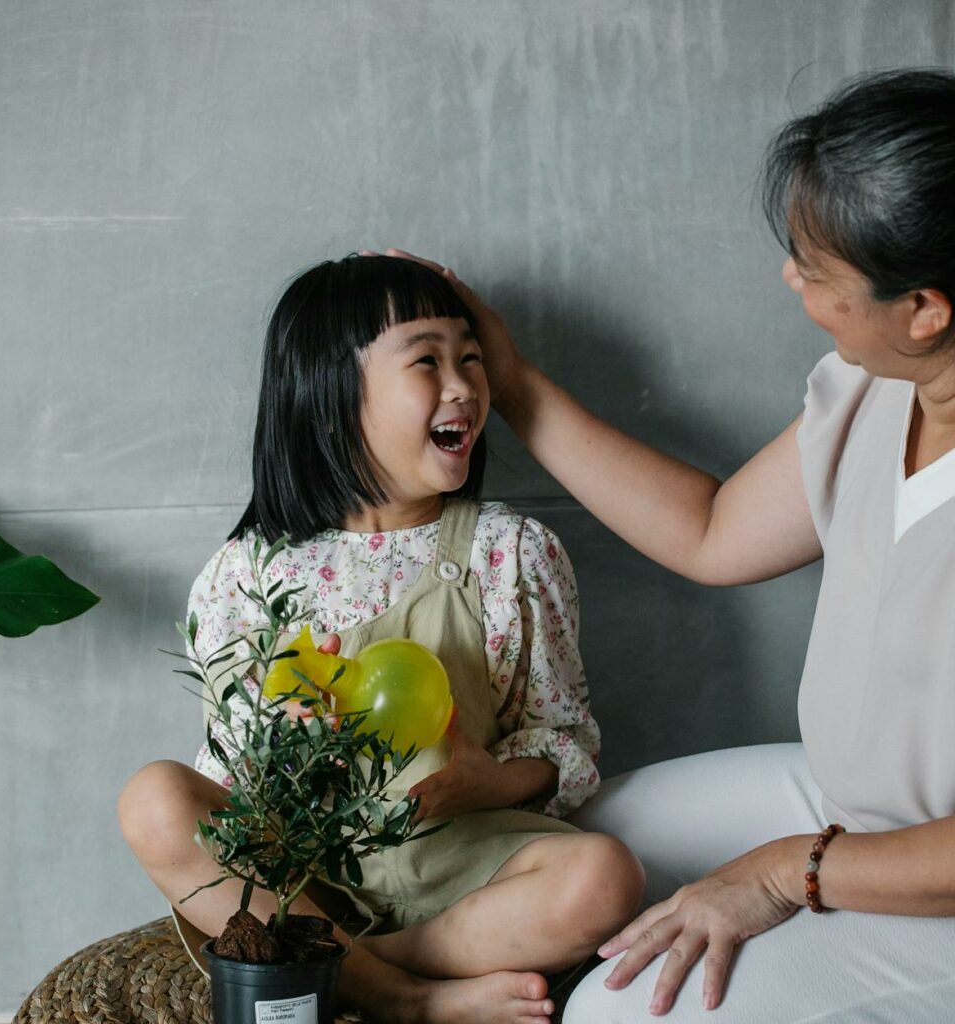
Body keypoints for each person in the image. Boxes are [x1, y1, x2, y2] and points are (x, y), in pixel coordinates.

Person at [386, 68, 955, 1021]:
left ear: (926, 309)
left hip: (931, 876)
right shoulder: (873, 389)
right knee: (575, 836)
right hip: (849, 799)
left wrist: (783, 875)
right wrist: (510, 378)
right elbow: (712, 531)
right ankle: (373, 971)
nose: (791, 279)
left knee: (617, 1009)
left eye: (815, 270)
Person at [118, 254, 644, 1024]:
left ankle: (349, 965)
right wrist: (278, 742)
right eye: (427, 360)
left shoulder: (513, 551)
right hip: (307, 880)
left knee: (606, 878)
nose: (464, 384)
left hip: (468, 867)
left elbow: (564, 740)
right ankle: (405, 1000)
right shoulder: (248, 573)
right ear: (330, 403)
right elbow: (224, 771)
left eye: (471, 357)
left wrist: (484, 783)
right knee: (152, 799)